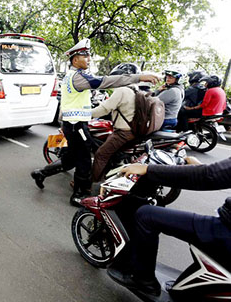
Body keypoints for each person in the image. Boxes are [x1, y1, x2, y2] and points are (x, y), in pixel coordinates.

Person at [30, 39, 159, 206]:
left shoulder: (72, 76)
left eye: (89, 55)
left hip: (74, 124)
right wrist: (140, 77)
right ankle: (78, 194)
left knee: (70, 158)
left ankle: (40, 173)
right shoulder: (79, 77)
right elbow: (104, 82)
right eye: (85, 55)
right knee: (84, 160)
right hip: (76, 125)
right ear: (75, 59)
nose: (89, 59)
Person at [108, 157, 231, 296]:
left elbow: (208, 176)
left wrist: (148, 169)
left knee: (146, 216)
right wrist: (203, 167)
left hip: (224, 230)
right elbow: (217, 174)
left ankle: (143, 281)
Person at [90, 63, 140, 182]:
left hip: (122, 133)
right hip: (132, 131)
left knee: (101, 154)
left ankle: (89, 184)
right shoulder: (135, 90)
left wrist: (85, 113)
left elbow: (104, 109)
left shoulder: (122, 90)